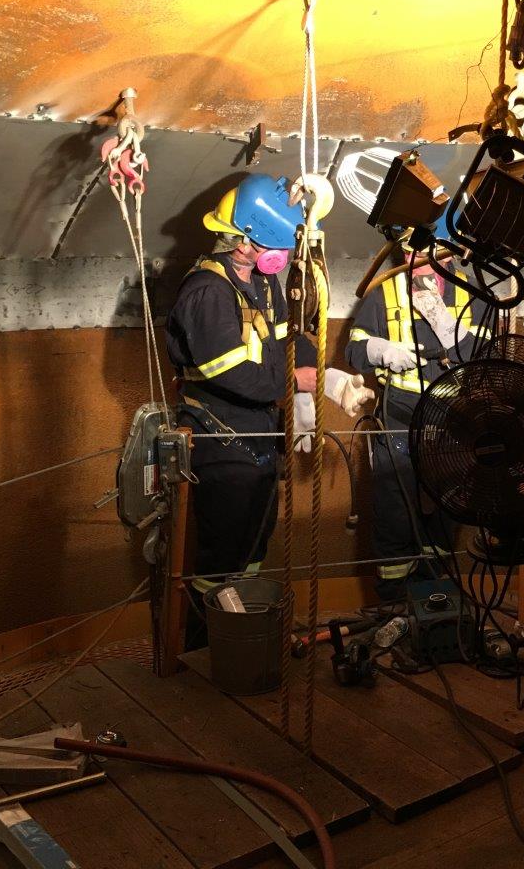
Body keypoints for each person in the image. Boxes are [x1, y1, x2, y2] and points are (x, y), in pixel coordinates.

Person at [167, 173, 371, 644]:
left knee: (254, 543)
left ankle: (245, 635)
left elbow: (284, 342)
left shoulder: (260, 281)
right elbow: (229, 373)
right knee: (223, 554)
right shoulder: (207, 293)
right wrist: (295, 382)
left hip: (259, 436)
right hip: (221, 440)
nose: (277, 261)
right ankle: (206, 645)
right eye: (272, 249)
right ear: (244, 243)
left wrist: (326, 375)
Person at [345, 222, 492, 601]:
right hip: (399, 418)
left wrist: (448, 329)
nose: (414, 262)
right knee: (394, 512)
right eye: (408, 253)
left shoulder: (473, 294)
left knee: (446, 513)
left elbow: (488, 356)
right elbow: (354, 350)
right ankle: (393, 602)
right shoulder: (385, 292)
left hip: (453, 419)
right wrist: (379, 351)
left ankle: (435, 599)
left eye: (425, 255)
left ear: (450, 251)